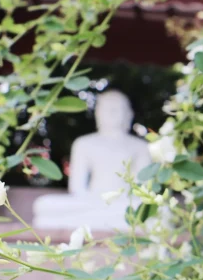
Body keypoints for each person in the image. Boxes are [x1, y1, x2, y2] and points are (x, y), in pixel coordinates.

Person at [32, 90, 151, 231]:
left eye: (116, 109)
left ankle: (103, 220)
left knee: (159, 211)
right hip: (92, 200)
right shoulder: (83, 143)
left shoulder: (140, 147)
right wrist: (91, 201)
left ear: (128, 114)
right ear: (97, 113)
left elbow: (144, 188)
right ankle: (108, 220)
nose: (111, 112)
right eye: (106, 108)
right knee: (43, 204)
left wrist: (125, 201)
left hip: (124, 203)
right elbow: (77, 188)